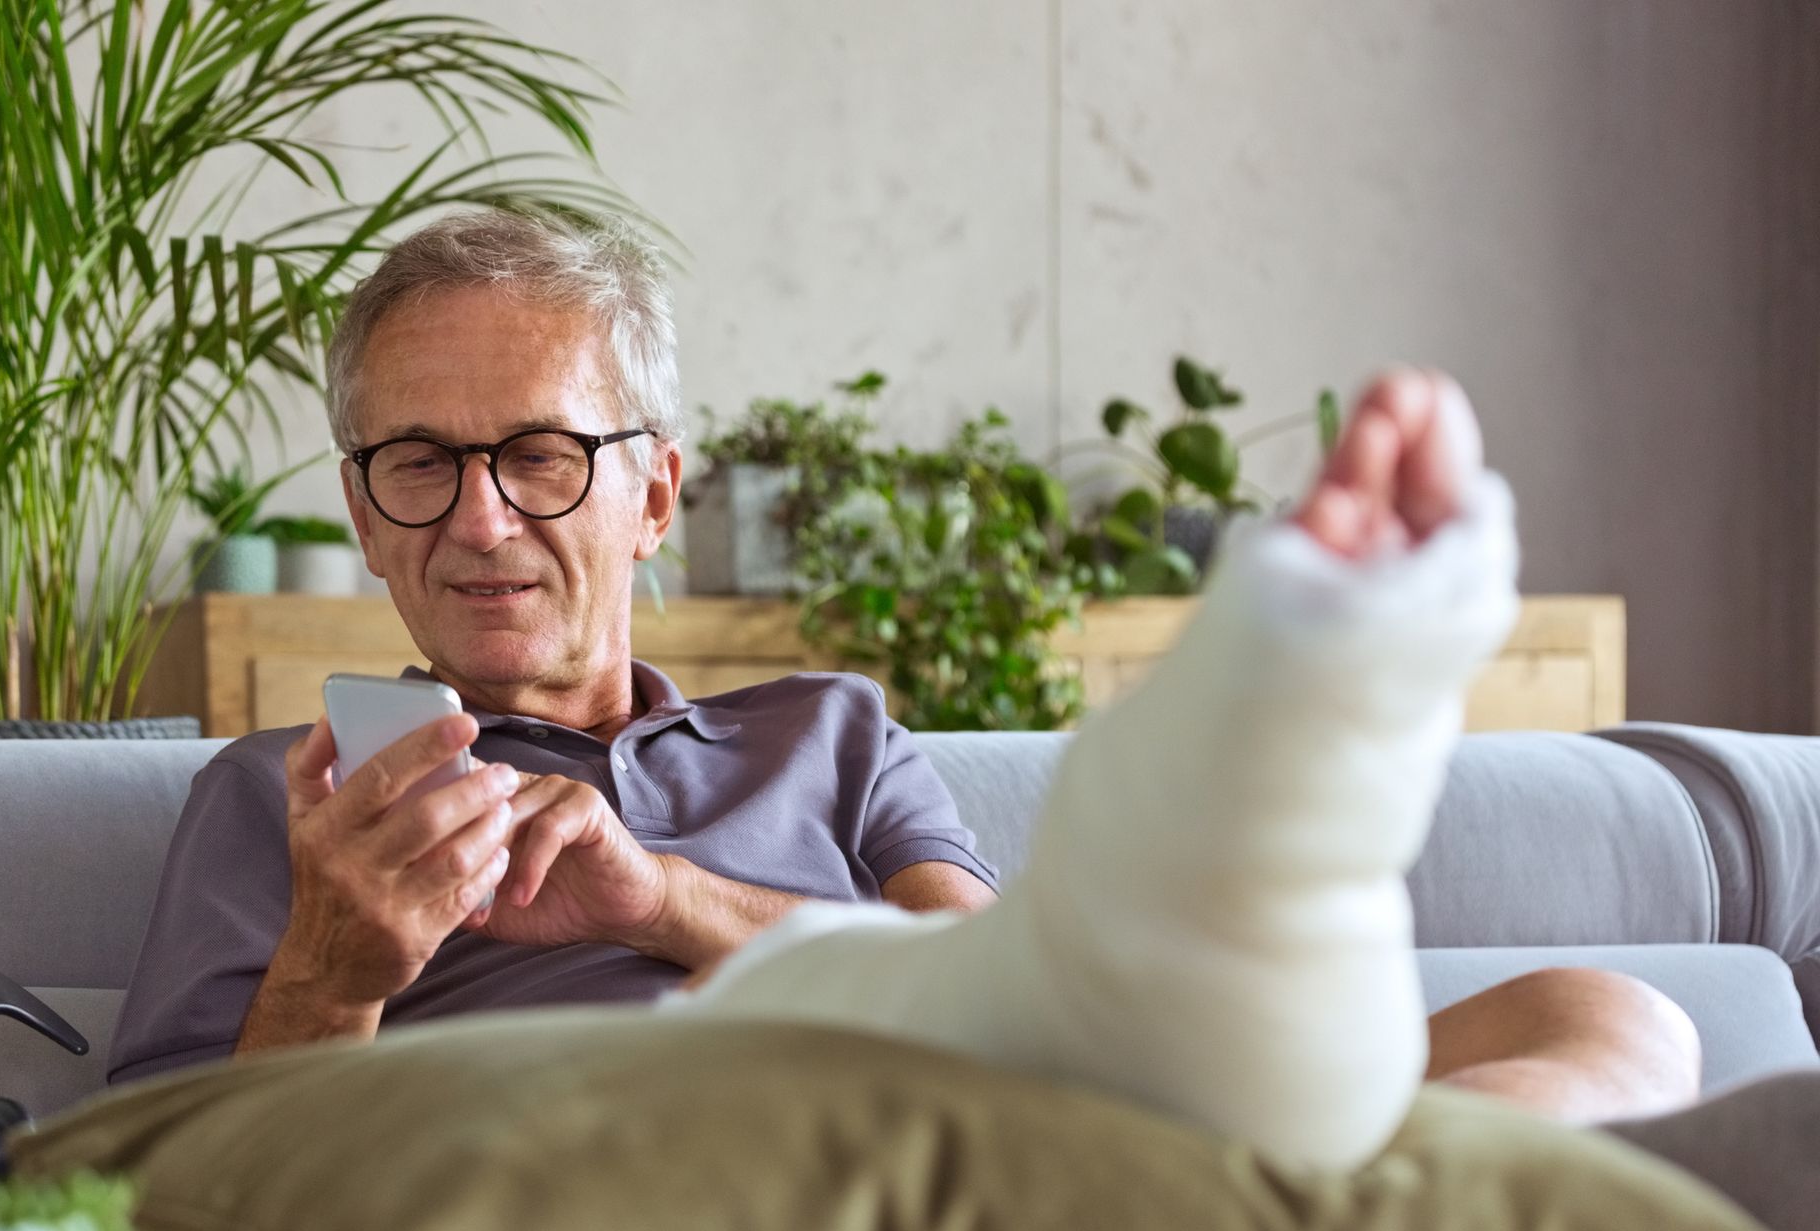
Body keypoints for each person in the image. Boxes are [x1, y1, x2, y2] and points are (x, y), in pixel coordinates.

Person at [112, 208, 1707, 1163]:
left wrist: (654, 899)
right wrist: (333, 974)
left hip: (1000, 1135)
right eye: (417, 464)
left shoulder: (829, 730)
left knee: (1616, 1017)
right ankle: (1312, 1205)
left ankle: (1291, 1198)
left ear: (656, 497)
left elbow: (1014, 992)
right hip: (629, 1187)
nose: (477, 518)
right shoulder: (279, 800)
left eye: (538, 456)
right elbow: (150, 1206)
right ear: (361, 518)